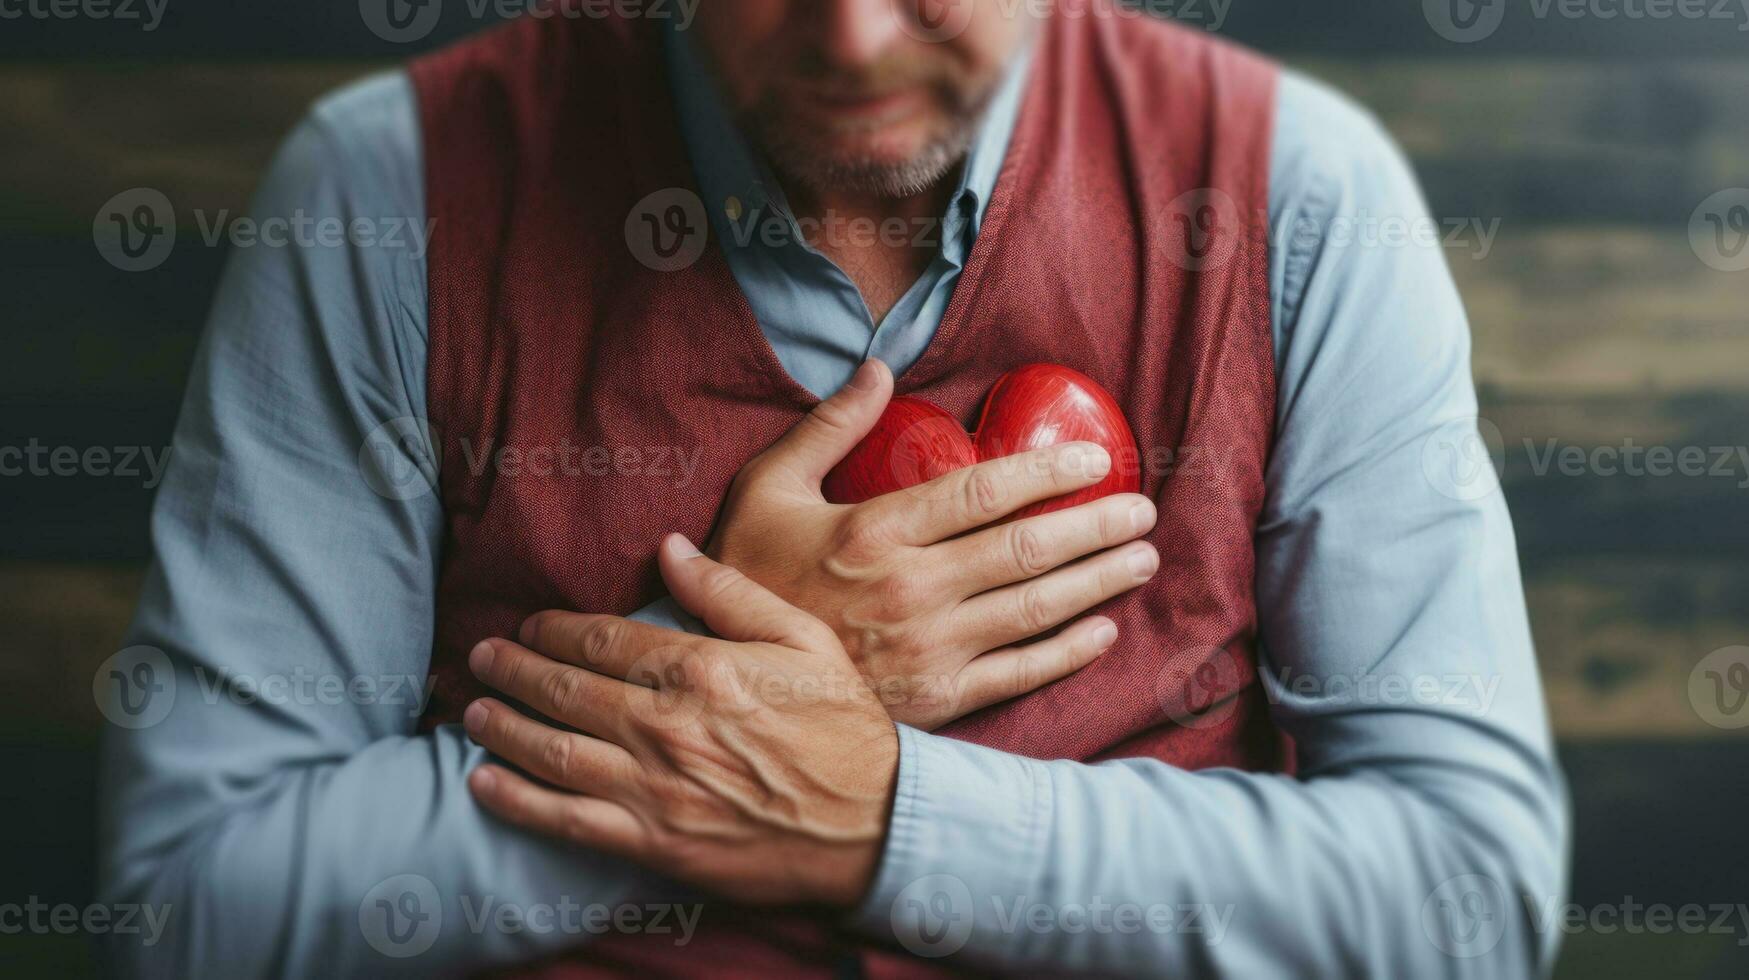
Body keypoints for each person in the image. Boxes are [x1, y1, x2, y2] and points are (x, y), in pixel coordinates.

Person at [97, 1, 1568, 976]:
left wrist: (878, 814)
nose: (855, 38)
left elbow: (1466, 893)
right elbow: (188, 905)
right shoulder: (388, 191)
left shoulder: (1294, 196)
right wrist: (722, 696)